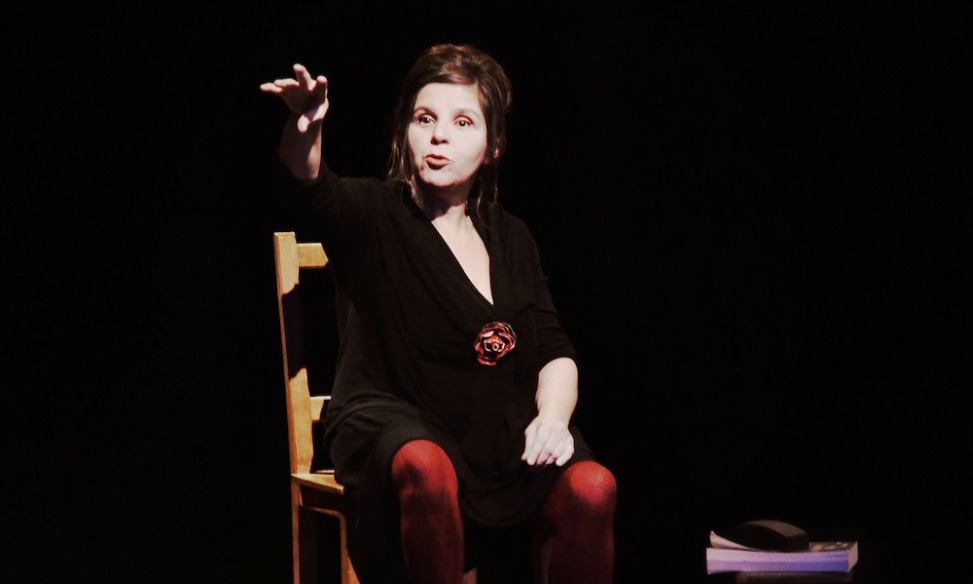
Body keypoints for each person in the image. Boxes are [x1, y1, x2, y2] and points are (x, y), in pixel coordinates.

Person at [260, 43, 616, 584]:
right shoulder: (375, 214)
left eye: (462, 122)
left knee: (593, 488)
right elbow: (311, 186)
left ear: (493, 146)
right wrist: (305, 128)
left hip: (497, 432)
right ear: (406, 130)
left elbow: (554, 350)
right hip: (397, 420)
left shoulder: (512, 237)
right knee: (425, 465)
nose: (439, 135)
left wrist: (552, 417)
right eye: (424, 118)